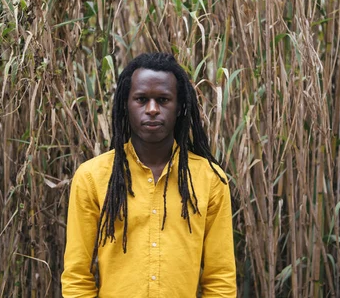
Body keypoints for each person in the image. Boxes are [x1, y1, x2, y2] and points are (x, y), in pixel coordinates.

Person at [61, 52, 236, 297]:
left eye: (163, 100)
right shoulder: (92, 177)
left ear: (179, 107)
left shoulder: (210, 180)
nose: (152, 109)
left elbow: (220, 279)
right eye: (141, 99)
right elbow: (77, 276)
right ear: (126, 105)